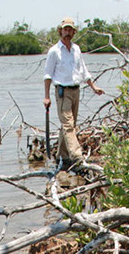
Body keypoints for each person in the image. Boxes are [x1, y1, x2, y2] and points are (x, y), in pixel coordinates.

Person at [43, 17, 104, 168]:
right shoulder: (54, 51)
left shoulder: (76, 49)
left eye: (70, 30)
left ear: (73, 32)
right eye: (65, 29)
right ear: (60, 31)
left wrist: (93, 87)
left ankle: (61, 156)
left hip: (76, 91)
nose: (67, 32)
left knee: (70, 125)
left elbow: (84, 71)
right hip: (62, 92)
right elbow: (47, 75)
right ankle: (77, 157)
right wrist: (46, 97)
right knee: (69, 125)